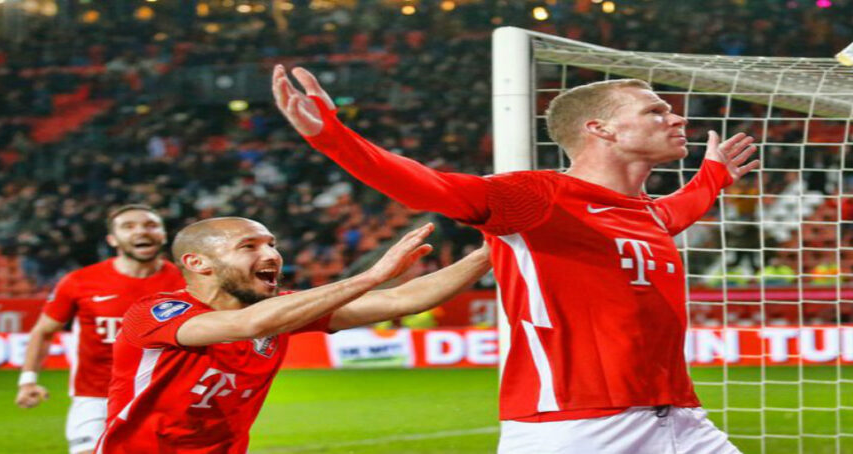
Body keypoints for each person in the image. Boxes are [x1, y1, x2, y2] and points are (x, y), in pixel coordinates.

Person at [274, 65, 760, 453]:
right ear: (601, 129)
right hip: (575, 426)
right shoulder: (536, 197)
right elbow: (427, 186)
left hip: (680, 417)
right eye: (656, 111)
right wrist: (332, 137)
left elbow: (678, 209)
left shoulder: (644, 214)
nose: (677, 119)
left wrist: (713, 176)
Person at [94, 218, 490, 453]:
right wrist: (371, 276)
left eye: (272, 244)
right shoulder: (156, 313)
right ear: (198, 263)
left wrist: (494, 249)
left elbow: (405, 298)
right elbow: (248, 325)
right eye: (248, 247)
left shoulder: (283, 311)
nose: (271, 255)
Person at [15, 204, 184, 454]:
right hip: (96, 398)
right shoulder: (80, 282)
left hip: (167, 398)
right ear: (112, 239)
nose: (141, 231)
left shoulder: (188, 281)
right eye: (128, 226)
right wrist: (28, 381)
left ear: (163, 235)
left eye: (151, 225)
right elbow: (43, 330)